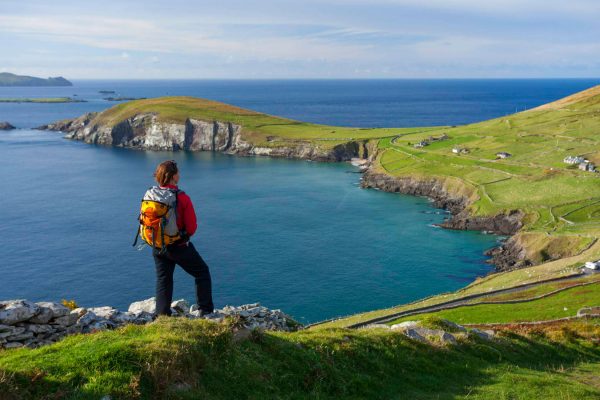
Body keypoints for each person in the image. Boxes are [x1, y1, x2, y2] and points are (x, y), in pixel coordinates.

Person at [149, 160, 214, 316]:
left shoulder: (151, 194)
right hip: (178, 246)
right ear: (173, 176)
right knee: (202, 272)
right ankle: (205, 310)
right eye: (178, 172)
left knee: (164, 280)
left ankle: (162, 316)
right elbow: (191, 227)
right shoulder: (182, 197)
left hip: (157, 245)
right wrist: (181, 237)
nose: (180, 175)